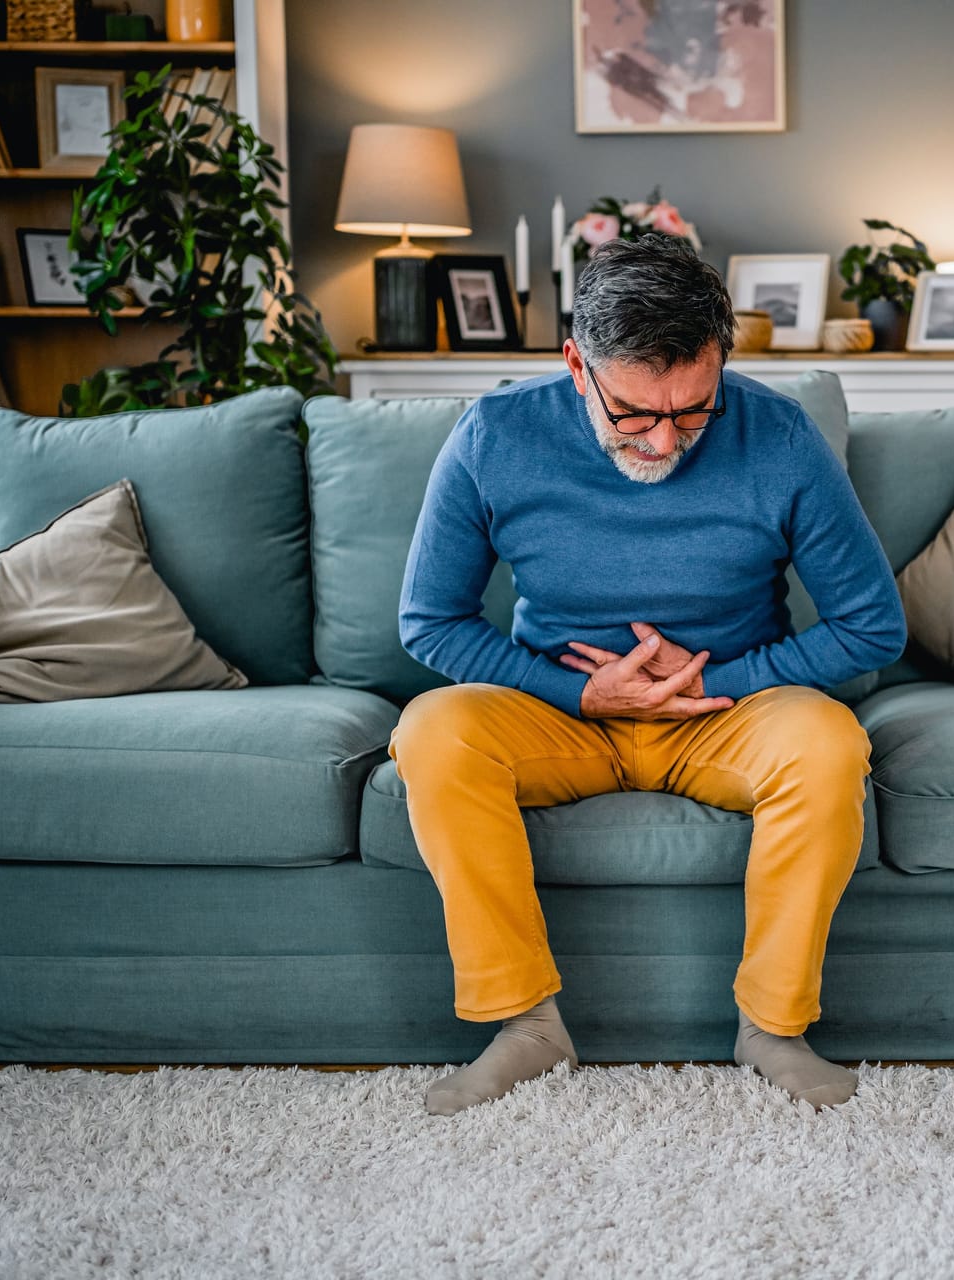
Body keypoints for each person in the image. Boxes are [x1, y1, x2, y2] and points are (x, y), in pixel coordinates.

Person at [388, 233, 906, 1116]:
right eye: (634, 413)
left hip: (725, 713)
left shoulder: (779, 434)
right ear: (576, 365)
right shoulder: (496, 436)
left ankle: (773, 1028)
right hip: (561, 717)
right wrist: (580, 692)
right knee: (434, 731)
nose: (665, 439)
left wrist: (725, 681)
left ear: (719, 366)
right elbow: (428, 623)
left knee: (827, 742)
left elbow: (872, 625)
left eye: (693, 410)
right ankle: (528, 1027)